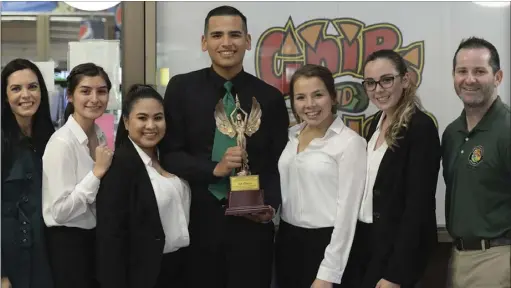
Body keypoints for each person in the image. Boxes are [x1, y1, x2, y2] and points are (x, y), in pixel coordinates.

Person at [159, 5, 289, 288]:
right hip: (196, 223)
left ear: (248, 40)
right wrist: (213, 169)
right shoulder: (182, 89)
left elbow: (278, 165)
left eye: (235, 35)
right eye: (217, 35)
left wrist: (270, 206)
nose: (226, 43)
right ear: (204, 43)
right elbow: (168, 155)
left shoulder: (270, 98)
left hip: (252, 229)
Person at [341, 49, 441, 288]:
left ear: (405, 80)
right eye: (370, 83)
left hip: (395, 251)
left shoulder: (420, 127)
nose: (378, 89)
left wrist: (396, 273)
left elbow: (418, 206)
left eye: (386, 80)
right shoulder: (375, 123)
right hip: (365, 243)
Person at [275, 64, 367, 288]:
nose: (310, 105)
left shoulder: (349, 143)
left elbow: (348, 212)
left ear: (333, 97)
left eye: (318, 95)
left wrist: (328, 272)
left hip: (327, 246)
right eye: (300, 97)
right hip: (287, 241)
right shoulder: (289, 137)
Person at [96, 84, 191, 288]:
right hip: (144, 275)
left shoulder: (169, 159)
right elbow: (111, 239)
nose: (151, 125)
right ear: (126, 122)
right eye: (142, 118)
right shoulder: (119, 166)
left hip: (179, 268)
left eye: (158, 118)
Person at [442, 37, 511, 288]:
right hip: (458, 258)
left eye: (479, 71)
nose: (469, 79)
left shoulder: (507, 129)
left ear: (498, 77)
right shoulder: (452, 133)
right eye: (462, 71)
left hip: (498, 259)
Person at [42, 63, 114, 288]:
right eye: (85, 91)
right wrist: (96, 173)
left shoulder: (101, 134)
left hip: (93, 240)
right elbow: (60, 212)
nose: (94, 98)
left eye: (101, 91)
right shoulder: (62, 143)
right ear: (70, 96)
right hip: (68, 244)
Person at [1, 59, 55, 288]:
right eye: (16, 88)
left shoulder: (52, 140)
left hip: (45, 257)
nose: (26, 95)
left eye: (32, 87)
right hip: (10, 259)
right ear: (5, 96)